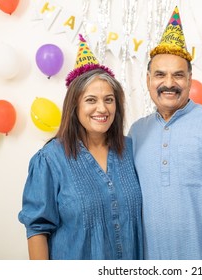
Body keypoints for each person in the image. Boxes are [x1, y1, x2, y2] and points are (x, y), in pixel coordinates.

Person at [128, 6, 202, 260]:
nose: (169, 83)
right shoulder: (136, 131)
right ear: (148, 79)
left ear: (190, 80)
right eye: (160, 74)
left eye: (178, 75)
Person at [18, 35, 143, 260]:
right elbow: (37, 229)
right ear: (74, 106)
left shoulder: (131, 150)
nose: (102, 108)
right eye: (91, 100)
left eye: (109, 99)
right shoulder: (50, 160)